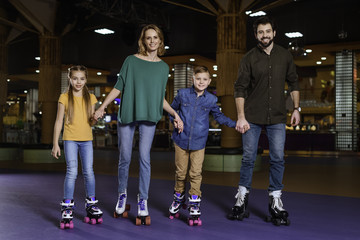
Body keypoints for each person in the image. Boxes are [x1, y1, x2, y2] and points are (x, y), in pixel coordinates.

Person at [93, 24, 183, 225]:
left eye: (155, 38)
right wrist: (102, 107)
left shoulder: (163, 67)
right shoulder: (131, 61)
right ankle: (122, 195)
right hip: (128, 114)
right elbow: (118, 87)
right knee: (124, 156)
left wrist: (175, 113)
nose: (152, 41)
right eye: (148, 38)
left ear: (160, 41)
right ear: (143, 41)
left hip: (149, 117)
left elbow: (159, 98)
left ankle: (143, 200)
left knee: (144, 158)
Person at [229, 16, 300, 225]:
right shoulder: (248, 58)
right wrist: (240, 117)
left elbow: (294, 82)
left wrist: (296, 109)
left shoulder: (285, 56)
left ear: (274, 33)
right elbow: (239, 88)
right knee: (248, 159)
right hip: (251, 116)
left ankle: (275, 201)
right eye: (260, 32)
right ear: (256, 34)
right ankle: (241, 199)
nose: (264, 35)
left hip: (277, 116)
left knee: (278, 158)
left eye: (268, 31)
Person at [168, 66, 236, 226]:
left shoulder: (211, 100)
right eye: (198, 79)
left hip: (199, 142)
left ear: (209, 81)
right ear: (193, 79)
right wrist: (175, 120)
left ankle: (194, 203)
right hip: (180, 139)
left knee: (195, 173)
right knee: (180, 172)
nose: (201, 82)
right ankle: (178, 198)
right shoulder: (183, 94)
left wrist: (235, 124)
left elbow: (219, 117)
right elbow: (171, 110)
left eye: (205, 79)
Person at [52, 65, 103, 229]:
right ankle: (67, 206)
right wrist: (55, 144)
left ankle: (91, 204)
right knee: (72, 171)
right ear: (70, 79)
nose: (78, 82)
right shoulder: (64, 97)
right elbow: (59, 121)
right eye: (75, 78)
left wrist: (96, 118)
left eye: (81, 78)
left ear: (86, 80)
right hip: (70, 140)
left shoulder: (91, 98)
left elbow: (91, 122)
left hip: (87, 140)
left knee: (89, 171)